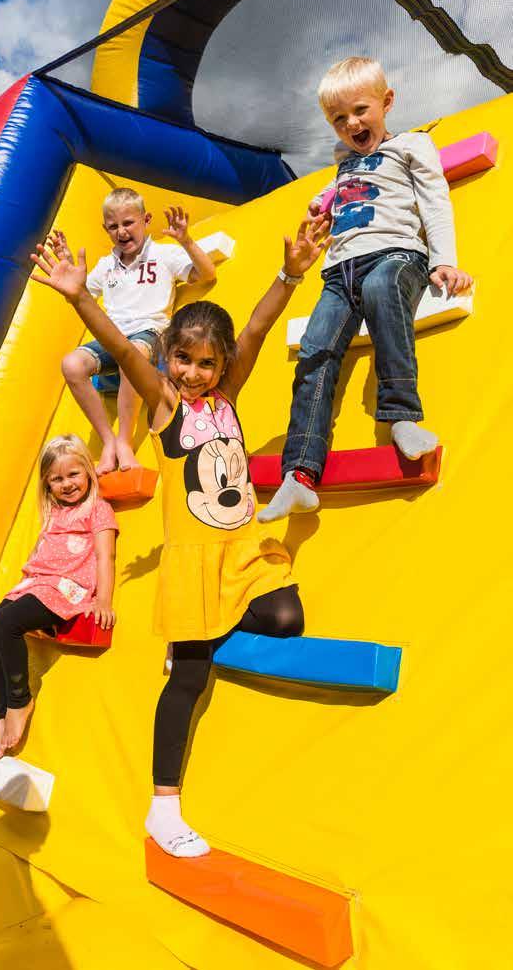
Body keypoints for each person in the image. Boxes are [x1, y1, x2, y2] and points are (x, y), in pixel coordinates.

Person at [30, 218, 329, 857]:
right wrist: (81, 298)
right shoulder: (166, 405)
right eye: (183, 359)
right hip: (194, 559)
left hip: (243, 550)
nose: (192, 372)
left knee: (285, 615)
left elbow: (255, 328)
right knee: (188, 679)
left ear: (221, 367)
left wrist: (291, 274)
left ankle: (212, 629)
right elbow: (125, 348)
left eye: (205, 363)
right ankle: (163, 805)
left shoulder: (228, 397)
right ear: (169, 356)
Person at [258, 56, 473, 523]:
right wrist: (322, 207)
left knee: (381, 288)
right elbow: (342, 196)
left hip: (396, 256)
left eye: (360, 110)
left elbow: (435, 201)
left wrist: (444, 261)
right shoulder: (343, 163)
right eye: (339, 119)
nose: (352, 123)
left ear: (386, 103)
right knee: (316, 348)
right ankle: (299, 473)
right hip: (338, 271)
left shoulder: (413, 145)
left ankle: (401, 417)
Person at [0, 433, 118, 763]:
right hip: (36, 583)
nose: (67, 484)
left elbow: (105, 557)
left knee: (6, 625)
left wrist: (104, 600)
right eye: (57, 479)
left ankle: (20, 700)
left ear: (88, 472)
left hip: (66, 588)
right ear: (47, 485)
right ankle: (1, 716)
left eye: (74, 474)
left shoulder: (97, 509)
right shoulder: (52, 510)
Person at [55, 187, 217, 476]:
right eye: (113, 226)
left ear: (145, 219)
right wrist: (68, 273)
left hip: (150, 335)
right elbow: (81, 296)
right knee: (71, 364)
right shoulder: (106, 266)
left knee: (133, 352)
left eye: (128, 223)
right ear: (105, 229)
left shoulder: (164, 254)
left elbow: (206, 274)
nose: (121, 232)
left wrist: (186, 240)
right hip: (114, 337)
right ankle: (108, 441)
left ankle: (125, 442)